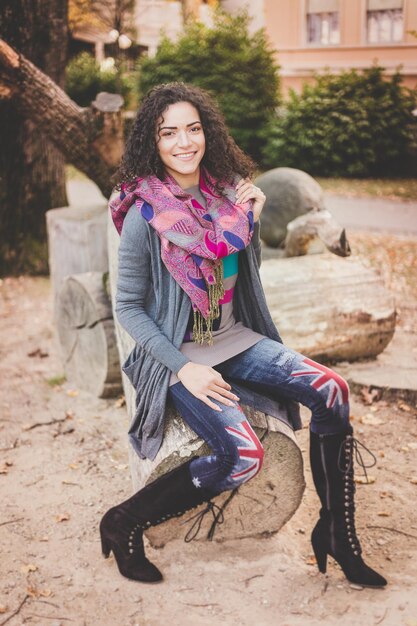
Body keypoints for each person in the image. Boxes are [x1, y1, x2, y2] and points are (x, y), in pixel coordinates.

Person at [101, 82, 387, 588]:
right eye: (169, 133)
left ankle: (338, 534)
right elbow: (128, 306)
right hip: (179, 356)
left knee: (332, 388)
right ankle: (124, 520)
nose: (184, 142)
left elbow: (241, 281)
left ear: (207, 132)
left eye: (193, 128)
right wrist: (184, 368)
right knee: (243, 456)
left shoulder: (233, 200)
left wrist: (249, 219)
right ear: (153, 141)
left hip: (235, 339)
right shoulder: (145, 212)